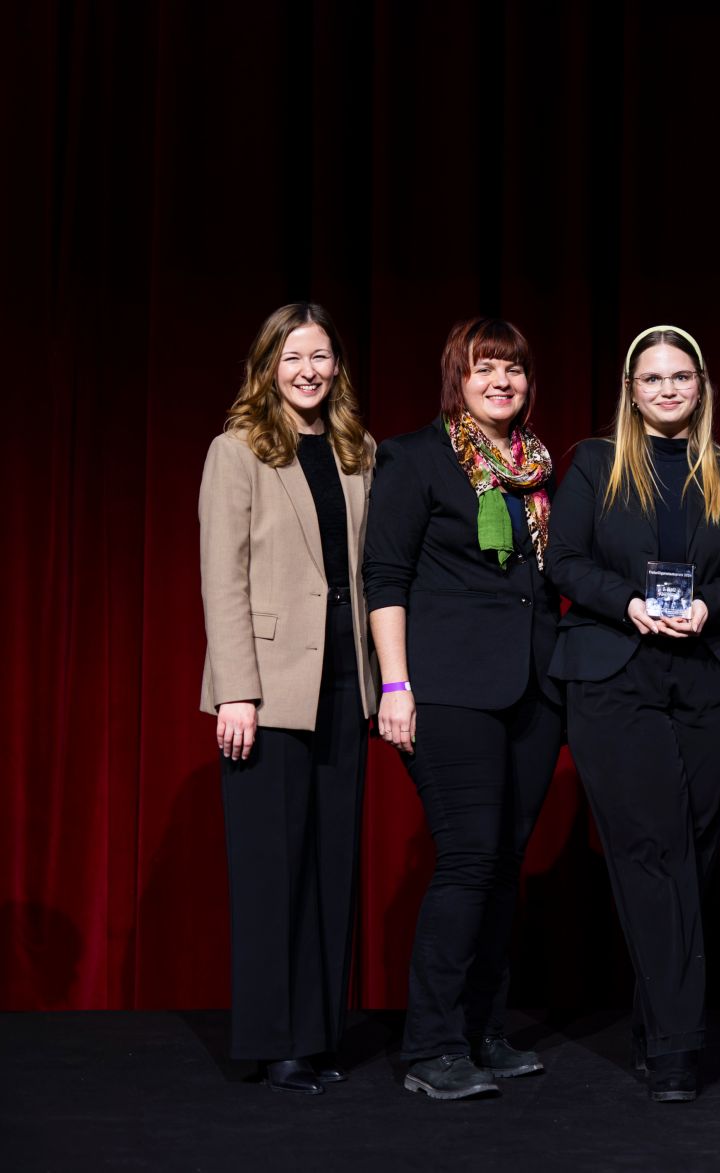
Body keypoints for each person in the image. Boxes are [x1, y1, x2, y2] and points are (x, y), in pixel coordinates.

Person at [547, 325, 720, 1103]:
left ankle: (653, 1020)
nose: (667, 390)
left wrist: (710, 605)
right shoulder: (594, 464)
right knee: (649, 847)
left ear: (701, 385)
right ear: (631, 391)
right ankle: (677, 1044)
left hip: (710, 680)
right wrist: (629, 602)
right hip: (614, 673)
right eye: (652, 379)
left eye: (681, 377)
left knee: (694, 855)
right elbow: (562, 559)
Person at [364, 317, 562, 1100]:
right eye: (486, 368)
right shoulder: (415, 458)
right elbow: (386, 574)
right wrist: (395, 684)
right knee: (470, 857)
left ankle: (485, 1028)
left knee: (505, 865)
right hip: (446, 689)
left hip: (533, 690)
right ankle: (431, 1045)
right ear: (459, 377)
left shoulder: (539, 470)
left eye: (513, 368)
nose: (501, 381)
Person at [199, 302, 377, 1094]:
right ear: (268, 363)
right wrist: (236, 691)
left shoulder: (356, 450)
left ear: (337, 365)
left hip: (346, 682)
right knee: (273, 868)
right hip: (268, 691)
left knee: (331, 863)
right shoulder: (236, 451)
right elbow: (221, 578)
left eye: (323, 356)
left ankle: (318, 1029)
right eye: (294, 356)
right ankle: (276, 1041)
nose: (310, 370)